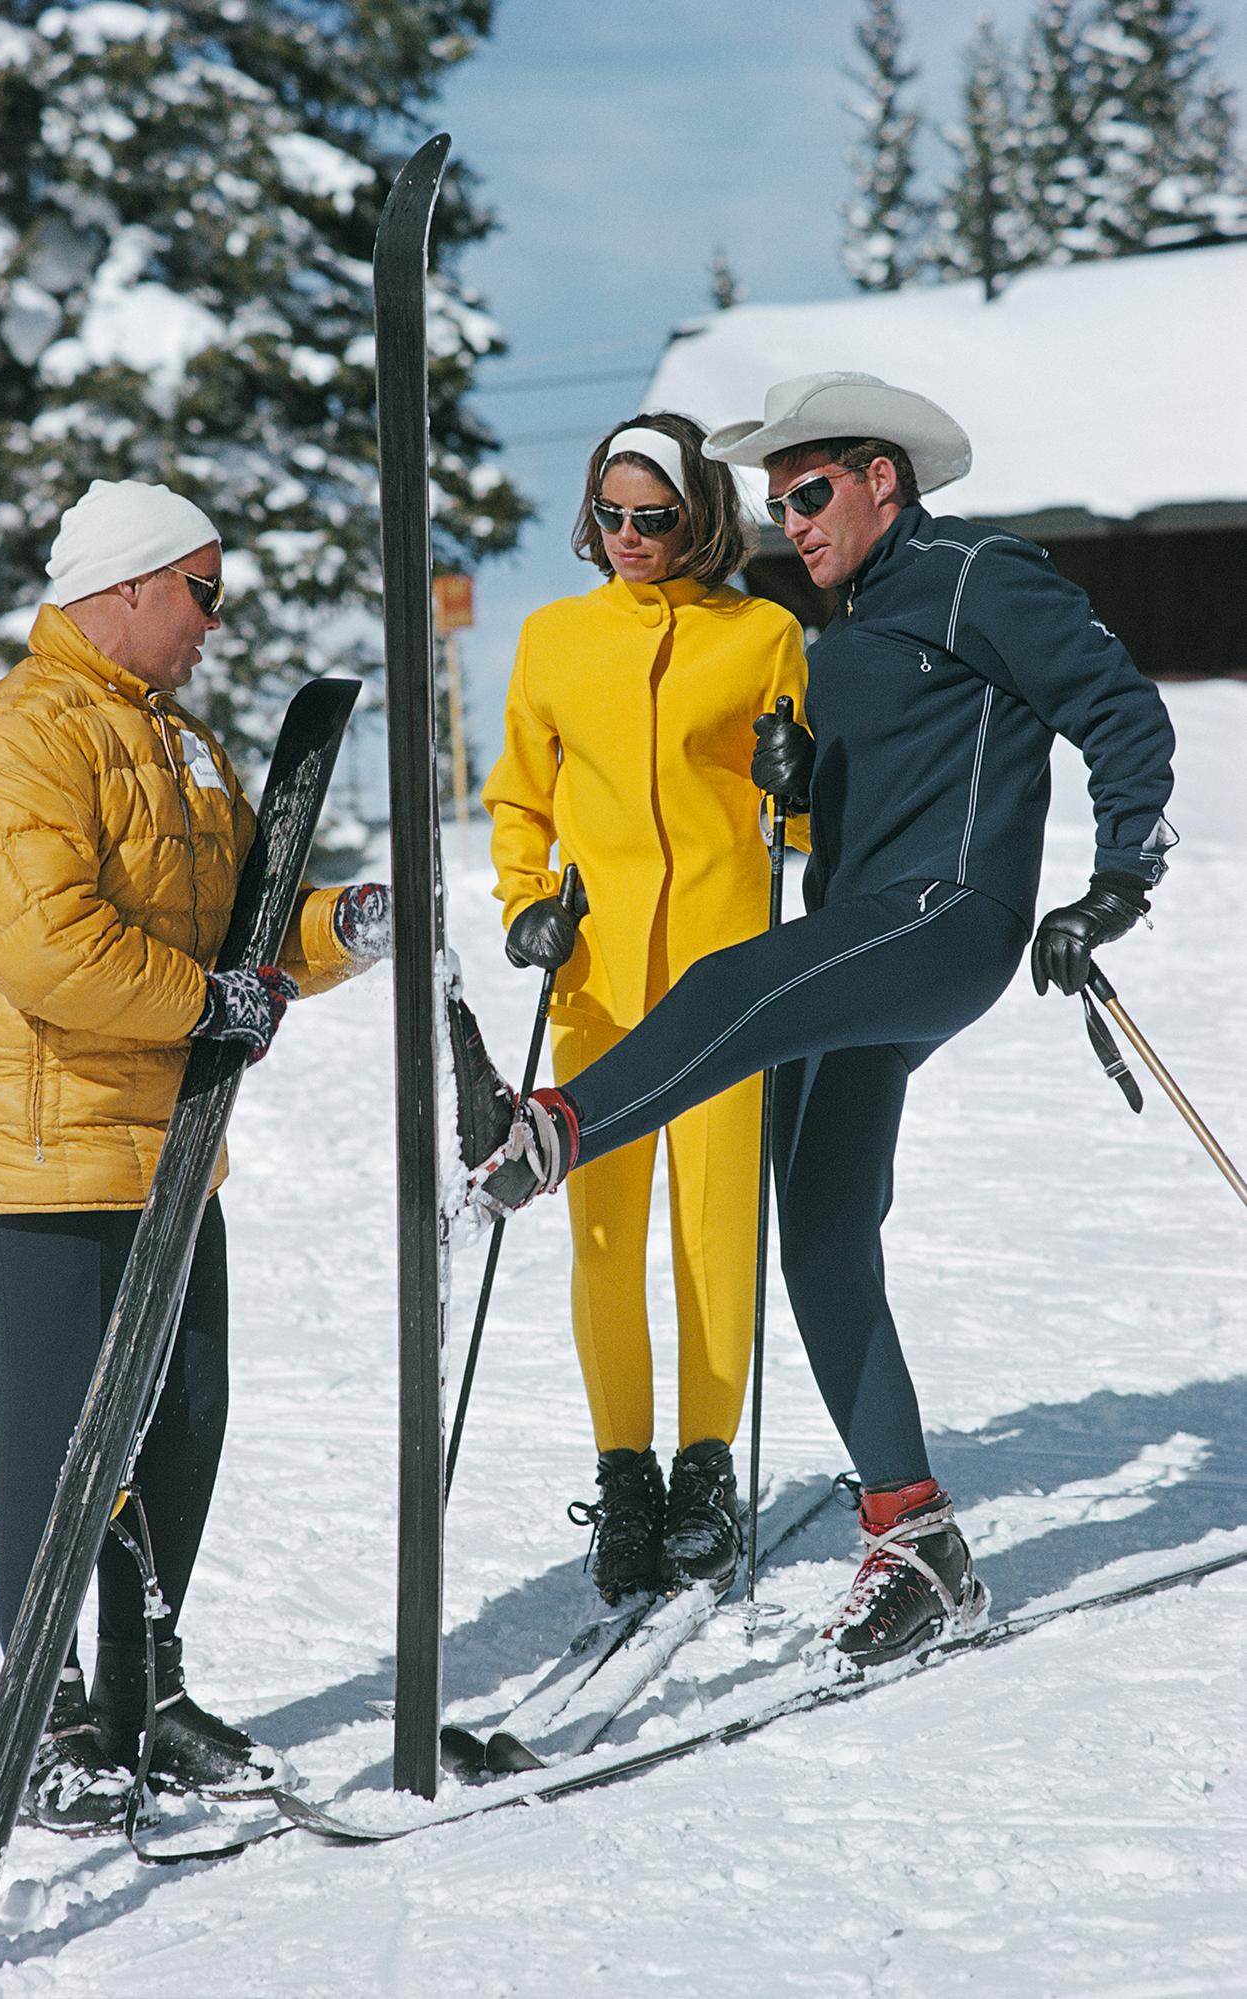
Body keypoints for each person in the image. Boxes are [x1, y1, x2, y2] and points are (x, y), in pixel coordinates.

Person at [454, 371, 1176, 1669]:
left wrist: (1116, 875)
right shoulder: (840, 628)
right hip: (864, 940)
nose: (788, 518)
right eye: (772, 500)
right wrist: (785, 790)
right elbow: (837, 812)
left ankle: (555, 1126)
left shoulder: (970, 569)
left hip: (944, 917)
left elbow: (1112, 705)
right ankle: (914, 1541)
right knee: (821, 1232)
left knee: (729, 981)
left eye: (807, 490)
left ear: (878, 477)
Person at [0, 479, 392, 1834]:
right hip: (44, 1144)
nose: (214, 618)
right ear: (129, 584)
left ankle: (142, 1683)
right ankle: (52, 1706)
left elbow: (244, 927)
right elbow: (47, 943)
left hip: (171, 1146)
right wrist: (210, 1004)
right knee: (64, 1432)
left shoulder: (182, 747)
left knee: (184, 1413)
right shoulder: (19, 736)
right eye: (202, 589)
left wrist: (335, 930)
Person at [481, 413, 808, 1605]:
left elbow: (805, 816)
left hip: (726, 979)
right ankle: (625, 1481)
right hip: (599, 985)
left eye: (652, 517)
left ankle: (704, 1471)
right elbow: (518, 798)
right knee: (604, 1238)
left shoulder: (763, 632)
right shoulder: (553, 638)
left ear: (699, 514)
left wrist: (797, 785)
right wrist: (526, 903)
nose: (626, 537)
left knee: (713, 1231)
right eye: (610, 514)